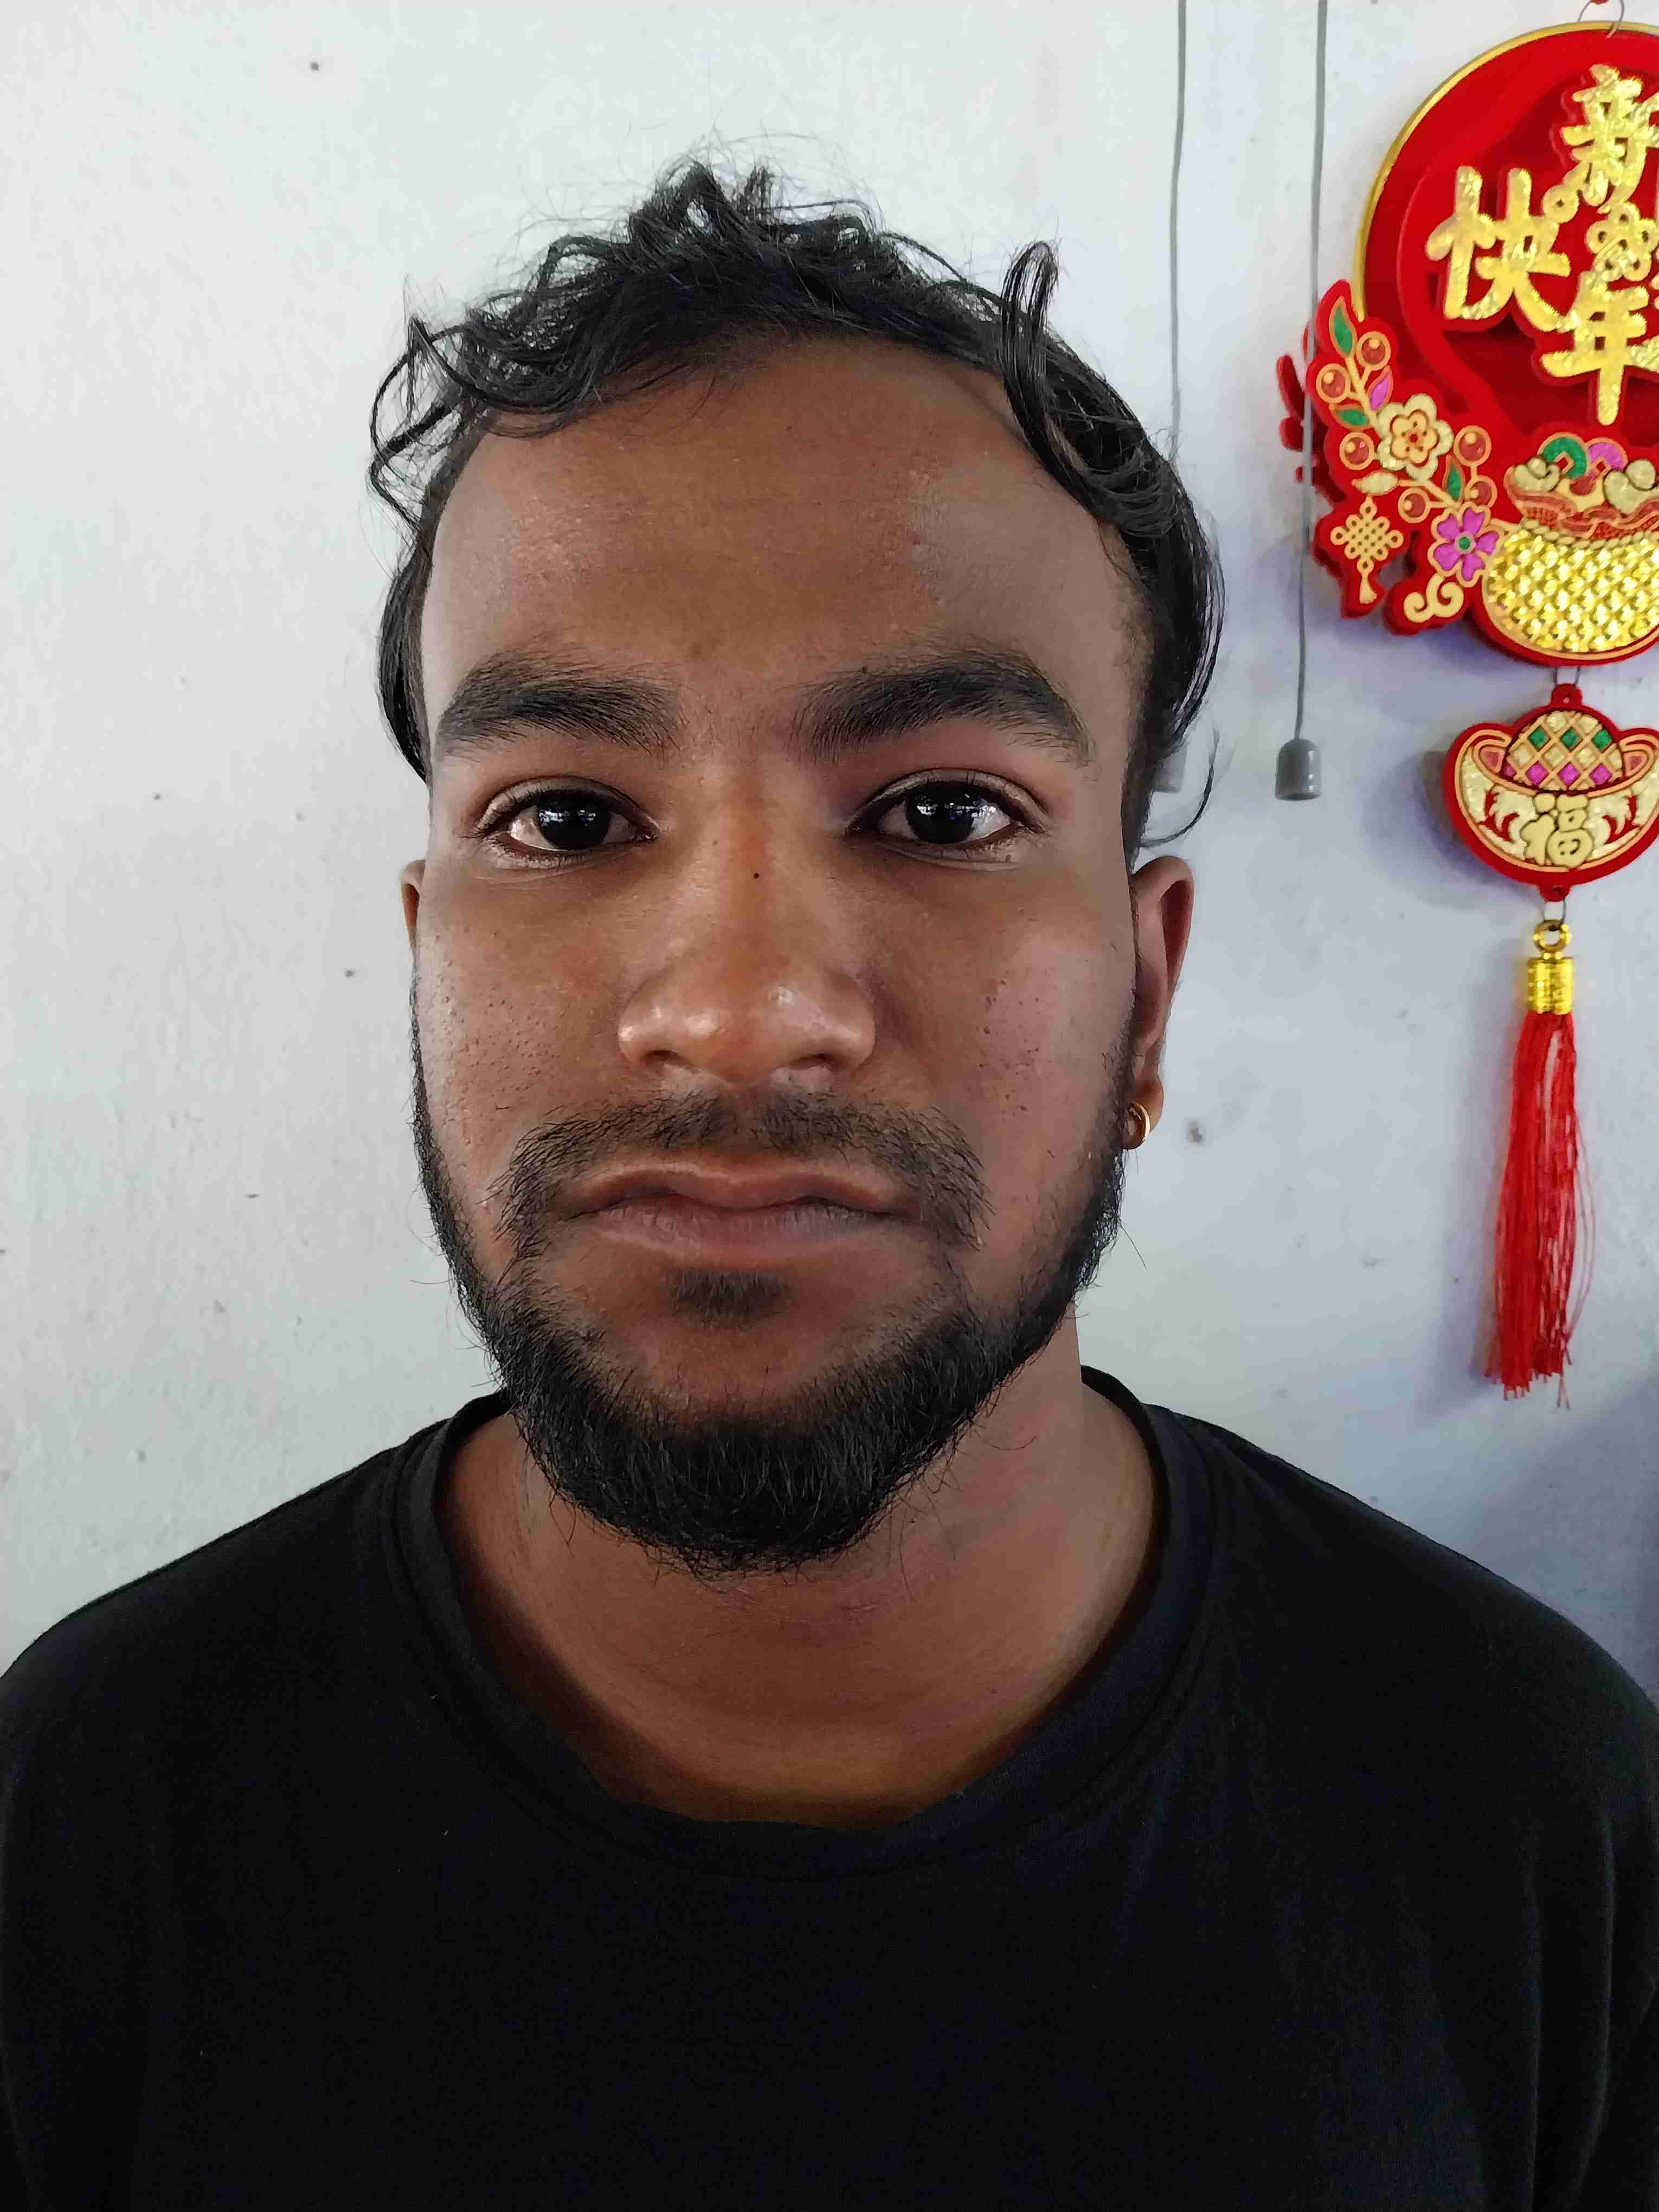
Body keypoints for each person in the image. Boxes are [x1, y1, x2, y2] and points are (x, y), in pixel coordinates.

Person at [3, 155, 1654, 2209]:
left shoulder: (1527, 1811)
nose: (738, 1012)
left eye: (941, 811)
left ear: (1146, 998)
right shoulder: (85, 1814)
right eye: (567, 817)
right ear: (424, 954)